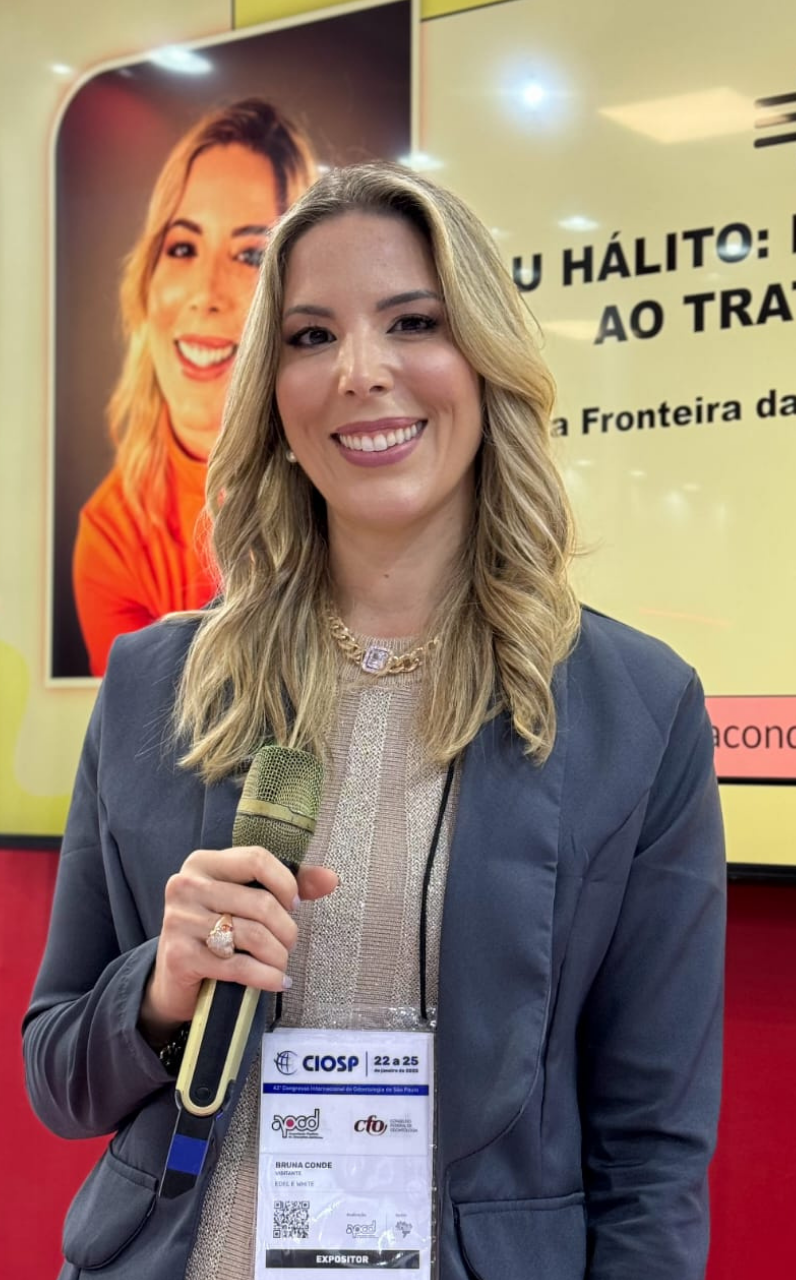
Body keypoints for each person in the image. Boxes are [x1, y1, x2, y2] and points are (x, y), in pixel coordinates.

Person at [26, 162, 726, 1279]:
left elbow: (651, 1154)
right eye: (310, 337)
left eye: (413, 322)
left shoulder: (635, 707)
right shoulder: (157, 682)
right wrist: (161, 987)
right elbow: (58, 1076)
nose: (360, 371)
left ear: (485, 361)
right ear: (272, 395)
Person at [72, 99, 316, 675]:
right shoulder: (112, 537)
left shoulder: (347, 469)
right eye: (182, 247)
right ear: (145, 284)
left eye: (250, 255)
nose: (206, 292)